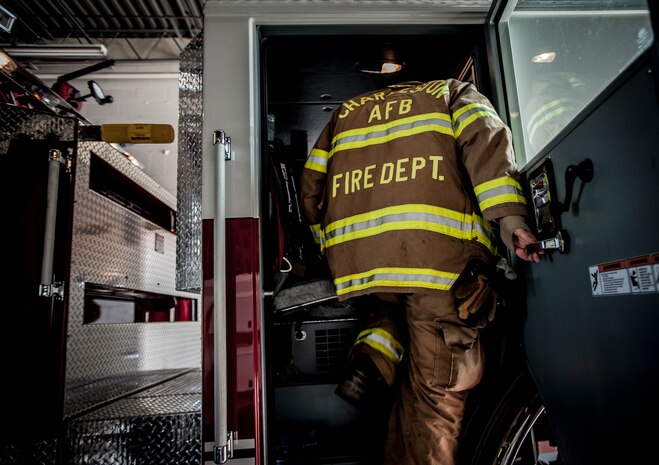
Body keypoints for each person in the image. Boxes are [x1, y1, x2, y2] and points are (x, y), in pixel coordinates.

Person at [299, 78, 542, 465]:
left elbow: (311, 188)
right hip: (440, 271)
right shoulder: (454, 94)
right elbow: (488, 146)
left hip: (369, 270)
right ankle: (380, 358)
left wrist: (328, 250)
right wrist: (510, 221)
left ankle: (375, 356)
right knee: (437, 397)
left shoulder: (345, 113)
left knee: (396, 322)